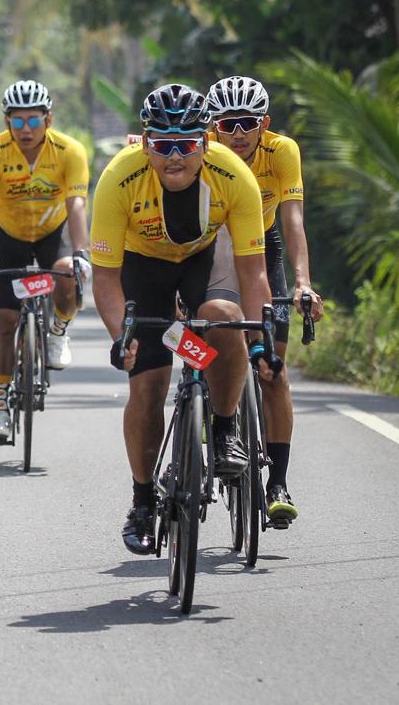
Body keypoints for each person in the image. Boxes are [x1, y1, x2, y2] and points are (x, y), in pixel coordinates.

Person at [89, 83, 279, 556]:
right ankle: (141, 501)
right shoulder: (119, 176)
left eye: (186, 145)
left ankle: (224, 426)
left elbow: (253, 273)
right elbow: (106, 280)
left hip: (202, 259)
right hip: (143, 267)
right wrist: (120, 337)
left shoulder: (233, 176)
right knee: (148, 387)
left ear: (206, 142)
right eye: (162, 145)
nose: (174, 157)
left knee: (224, 318)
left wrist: (260, 341)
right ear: (145, 141)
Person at [204, 75, 324, 527]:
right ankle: (212, 411)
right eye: (228, 124)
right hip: (210, 244)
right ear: (213, 127)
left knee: (273, 370)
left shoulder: (282, 151)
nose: (237, 135)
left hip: (263, 245)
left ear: (264, 124)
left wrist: (302, 283)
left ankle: (278, 483)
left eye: (247, 124)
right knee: (210, 333)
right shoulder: (202, 152)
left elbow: (293, 220)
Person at [0, 80, 91, 444]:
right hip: (7, 238)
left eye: (33, 121)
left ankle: (57, 333)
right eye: (17, 122)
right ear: (7, 122)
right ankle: (1, 409)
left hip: (52, 234)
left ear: (48, 118)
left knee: (67, 273)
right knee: (4, 321)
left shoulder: (69, 150)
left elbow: (76, 204)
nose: (25, 130)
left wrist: (82, 252)